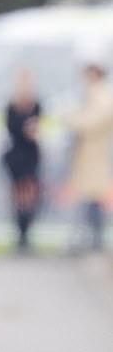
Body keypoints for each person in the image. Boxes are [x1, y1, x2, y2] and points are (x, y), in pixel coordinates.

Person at [65, 57, 113, 252]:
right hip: (89, 157)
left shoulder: (102, 95)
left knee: (95, 198)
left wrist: (72, 118)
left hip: (96, 156)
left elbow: (91, 121)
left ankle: (94, 238)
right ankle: (89, 238)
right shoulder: (95, 95)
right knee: (89, 198)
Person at [1, 69, 42, 252]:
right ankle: (20, 234)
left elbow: (37, 128)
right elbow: (13, 130)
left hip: (31, 157)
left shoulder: (38, 105)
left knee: (31, 196)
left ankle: (27, 232)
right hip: (16, 158)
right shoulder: (11, 106)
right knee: (19, 196)